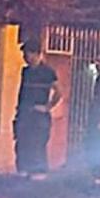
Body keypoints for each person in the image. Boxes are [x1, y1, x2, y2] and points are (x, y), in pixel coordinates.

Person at [15, 41, 61, 179]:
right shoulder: (26, 72)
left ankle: (38, 175)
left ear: (37, 54)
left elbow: (58, 92)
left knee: (37, 143)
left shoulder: (47, 72)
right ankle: (24, 172)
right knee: (22, 143)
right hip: (24, 114)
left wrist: (47, 107)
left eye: (27, 53)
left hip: (38, 116)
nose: (25, 57)